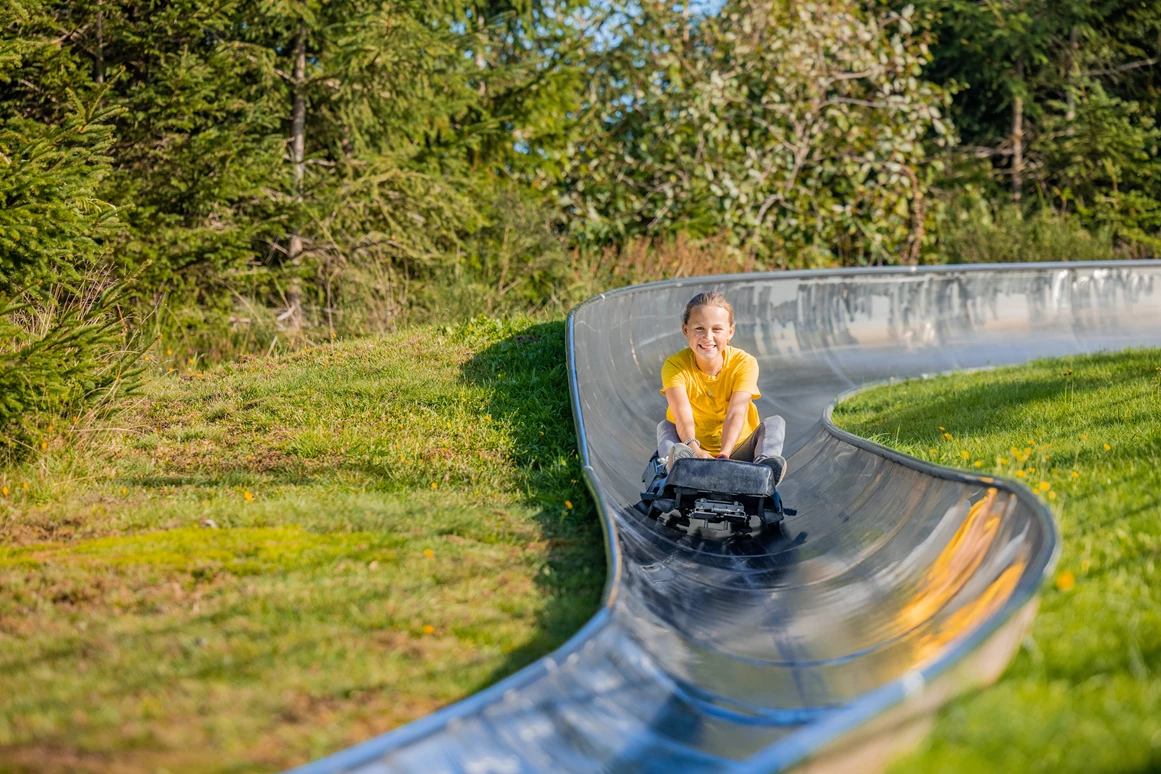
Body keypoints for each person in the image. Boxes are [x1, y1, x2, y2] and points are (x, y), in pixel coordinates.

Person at [657, 291, 787, 485]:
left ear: (730, 332)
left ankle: (763, 469)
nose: (708, 337)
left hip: (736, 451)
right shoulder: (675, 366)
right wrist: (695, 449)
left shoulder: (744, 363)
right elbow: (682, 415)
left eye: (717, 329)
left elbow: (736, 412)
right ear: (686, 330)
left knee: (775, 423)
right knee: (666, 426)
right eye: (699, 328)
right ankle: (675, 465)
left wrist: (723, 457)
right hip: (691, 450)